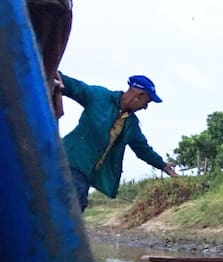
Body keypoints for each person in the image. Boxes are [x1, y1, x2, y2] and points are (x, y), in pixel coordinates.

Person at [60, 73, 179, 211]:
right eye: (146, 102)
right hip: (70, 162)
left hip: (87, 175)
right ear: (138, 95)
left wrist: (163, 165)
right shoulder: (100, 96)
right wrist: (46, 67)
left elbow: (143, 149)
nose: (145, 107)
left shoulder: (131, 123)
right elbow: (73, 86)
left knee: (76, 208)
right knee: (70, 210)